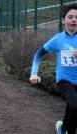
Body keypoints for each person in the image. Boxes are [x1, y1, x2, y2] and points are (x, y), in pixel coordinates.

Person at [29, 4, 77, 134]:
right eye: (70, 17)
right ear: (63, 20)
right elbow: (39, 54)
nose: (74, 20)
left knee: (72, 110)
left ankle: (63, 128)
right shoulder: (58, 39)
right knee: (74, 106)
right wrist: (34, 73)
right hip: (64, 80)